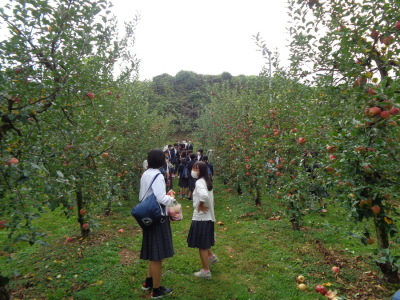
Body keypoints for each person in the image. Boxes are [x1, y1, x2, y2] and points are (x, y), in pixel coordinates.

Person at [139, 149, 175, 298]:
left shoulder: (146, 174)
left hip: (148, 217)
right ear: (160, 160)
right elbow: (161, 199)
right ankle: (157, 290)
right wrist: (171, 198)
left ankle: (148, 282)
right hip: (157, 218)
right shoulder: (158, 176)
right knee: (157, 255)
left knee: (153, 251)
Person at [187, 161, 219, 279]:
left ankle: (206, 271)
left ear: (202, 170)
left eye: (196, 169)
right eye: (194, 168)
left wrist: (200, 204)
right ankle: (211, 257)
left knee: (202, 245)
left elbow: (204, 195)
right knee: (204, 242)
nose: (193, 171)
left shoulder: (200, 182)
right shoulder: (207, 180)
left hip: (201, 217)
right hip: (208, 217)